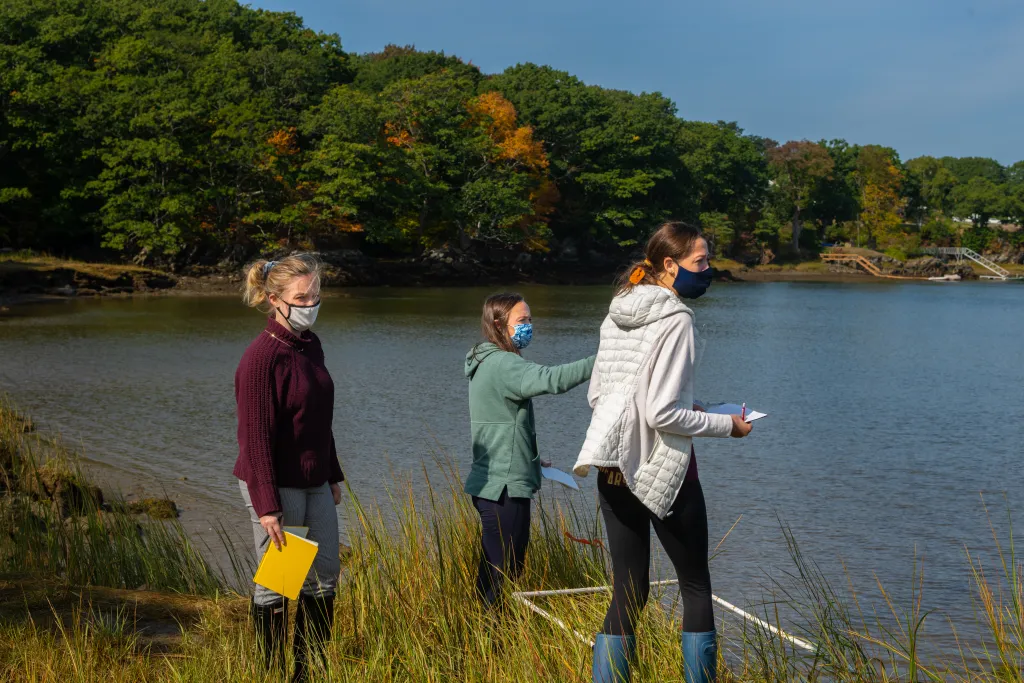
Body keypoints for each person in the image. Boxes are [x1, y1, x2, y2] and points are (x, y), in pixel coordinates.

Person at [573, 222, 753, 683]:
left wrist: (667, 407)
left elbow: (600, 393)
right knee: (695, 587)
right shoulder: (676, 320)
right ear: (669, 266)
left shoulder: (616, 312)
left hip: (612, 465)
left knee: (628, 592)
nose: (709, 270)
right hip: (664, 469)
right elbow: (662, 415)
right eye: (701, 262)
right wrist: (726, 426)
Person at [234, 253, 344, 681]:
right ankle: (272, 673)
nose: (310, 304)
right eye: (301, 297)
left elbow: (318, 417)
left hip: (314, 479)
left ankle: (308, 672)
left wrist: (332, 472)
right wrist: (267, 506)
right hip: (276, 484)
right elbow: (255, 439)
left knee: (326, 574)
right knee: (279, 582)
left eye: (315, 295)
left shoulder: (310, 345)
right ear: (274, 298)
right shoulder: (261, 359)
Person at [464, 293, 595, 607]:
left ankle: (480, 634)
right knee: (504, 572)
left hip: (495, 480)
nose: (529, 326)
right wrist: (602, 361)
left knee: (497, 568)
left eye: (530, 320)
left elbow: (500, 425)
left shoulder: (485, 360)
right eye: (522, 321)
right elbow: (552, 380)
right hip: (504, 487)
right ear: (499, 325)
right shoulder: (503, 364)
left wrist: (531, 460)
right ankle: (492, 640)